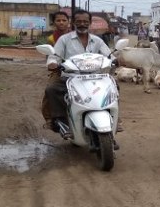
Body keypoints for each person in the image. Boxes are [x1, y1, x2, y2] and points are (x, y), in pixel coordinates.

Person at [44, 10, 120, 140]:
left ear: (89, 23)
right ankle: (60, 120)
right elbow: (54, 56)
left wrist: (115, 60)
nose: (82, 24)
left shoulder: (97, 41)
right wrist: (52, 63)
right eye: (78, 21)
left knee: (114, 86)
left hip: (96, 77)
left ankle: (116, 118)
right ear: (73, 22)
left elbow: (109, 55)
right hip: (71, 77)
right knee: (52, 89)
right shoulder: (64, 40)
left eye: (85, 21)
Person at [41, 11, 72, 127]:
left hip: (78, 69)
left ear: (69, 22)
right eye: (58, 20)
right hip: (60, 70)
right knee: (50, 89)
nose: (61, 23)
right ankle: (50, 118)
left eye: (64, 20)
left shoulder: (75, 36)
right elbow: (50, 56)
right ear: (54, 23)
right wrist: (52, 64)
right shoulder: (51, 39)